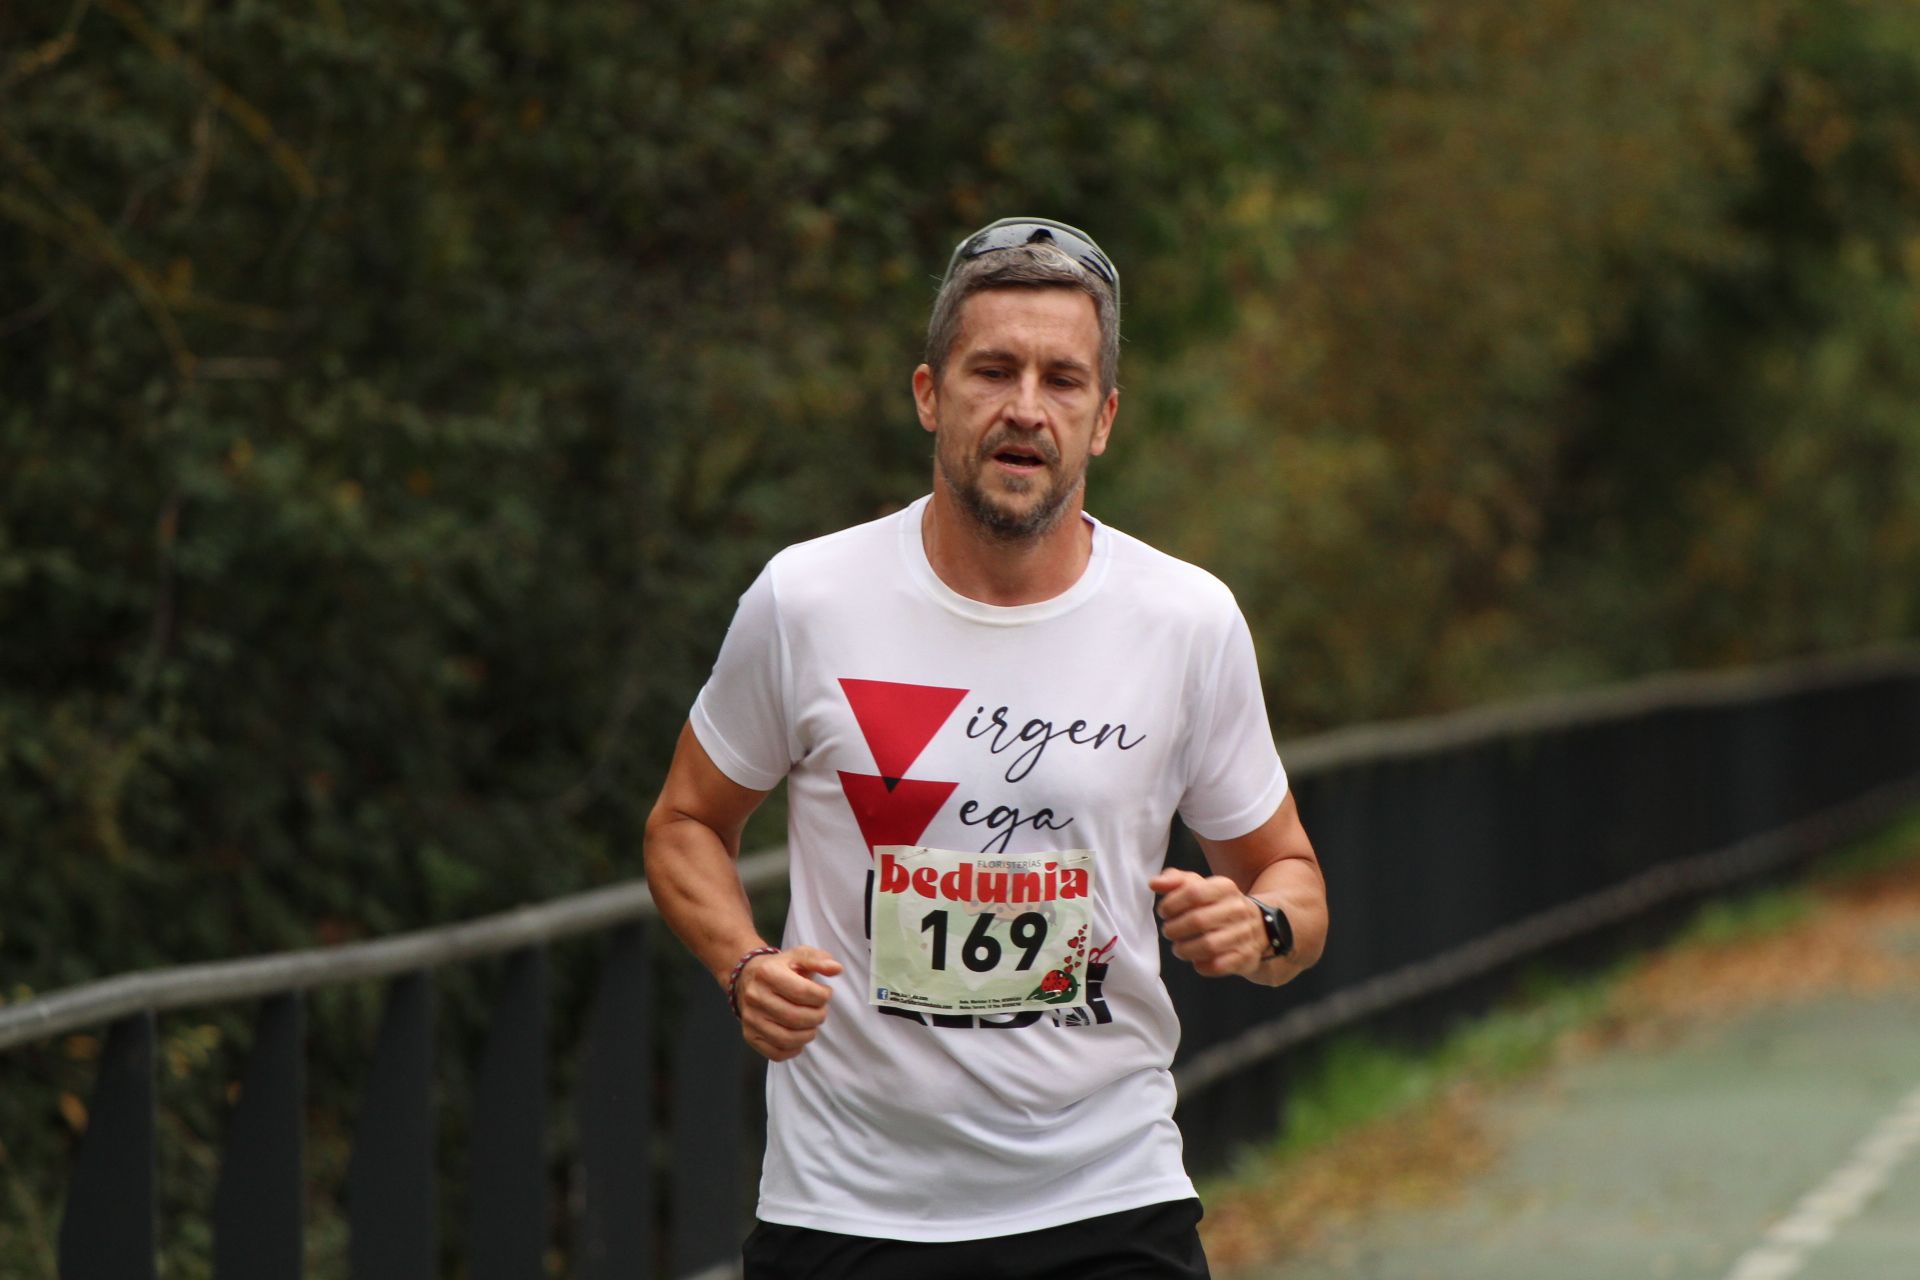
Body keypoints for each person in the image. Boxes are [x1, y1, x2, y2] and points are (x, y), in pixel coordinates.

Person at [644, 216, 1327, 1277]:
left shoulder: (1186, 619)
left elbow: (1298, 885)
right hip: (849, 1205)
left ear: (1102, 420)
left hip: (1111, 1201)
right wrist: (744, 964)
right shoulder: (809, 599)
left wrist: (1261, 923)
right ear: (930, 394)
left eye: (1062, 380)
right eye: (993, 369)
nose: (1025, 406)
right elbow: (686, 821)